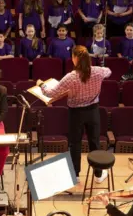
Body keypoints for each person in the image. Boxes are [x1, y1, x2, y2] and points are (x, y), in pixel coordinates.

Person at [38, 45, 111, 181]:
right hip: (93, 111)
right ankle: (98, 175)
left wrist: (41, 84)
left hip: (76, 113)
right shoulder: (98, 72)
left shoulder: (71, 77)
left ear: (74, 58)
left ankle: (75, 174)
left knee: (75, 143)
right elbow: (109, 71)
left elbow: (50, 93)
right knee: (94, 141)